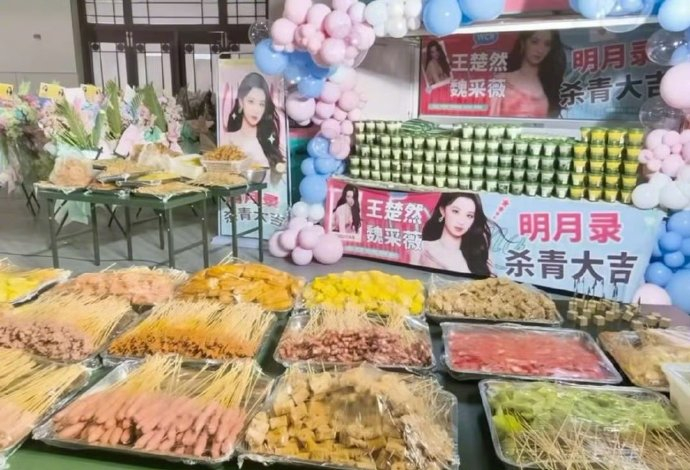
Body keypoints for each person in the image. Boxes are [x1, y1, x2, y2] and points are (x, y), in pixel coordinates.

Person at [489, 31, 566, 118]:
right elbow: (492, 117)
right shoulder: (501, 79)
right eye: (534, 42)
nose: (540, 50)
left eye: (547, 44)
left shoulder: (550, 85)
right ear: (523, 43)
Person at [415, 193, 493, 276]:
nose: (461, 221)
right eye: (455, 211)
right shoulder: (422, 248)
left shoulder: (478, 257)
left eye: (469, 216)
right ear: (442, 210)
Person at [226, 72, 284, 172]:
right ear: (241, 102)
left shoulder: (268, 142)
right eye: (251, 101)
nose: (256, 109)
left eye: (261, 104)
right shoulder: (229, 140)